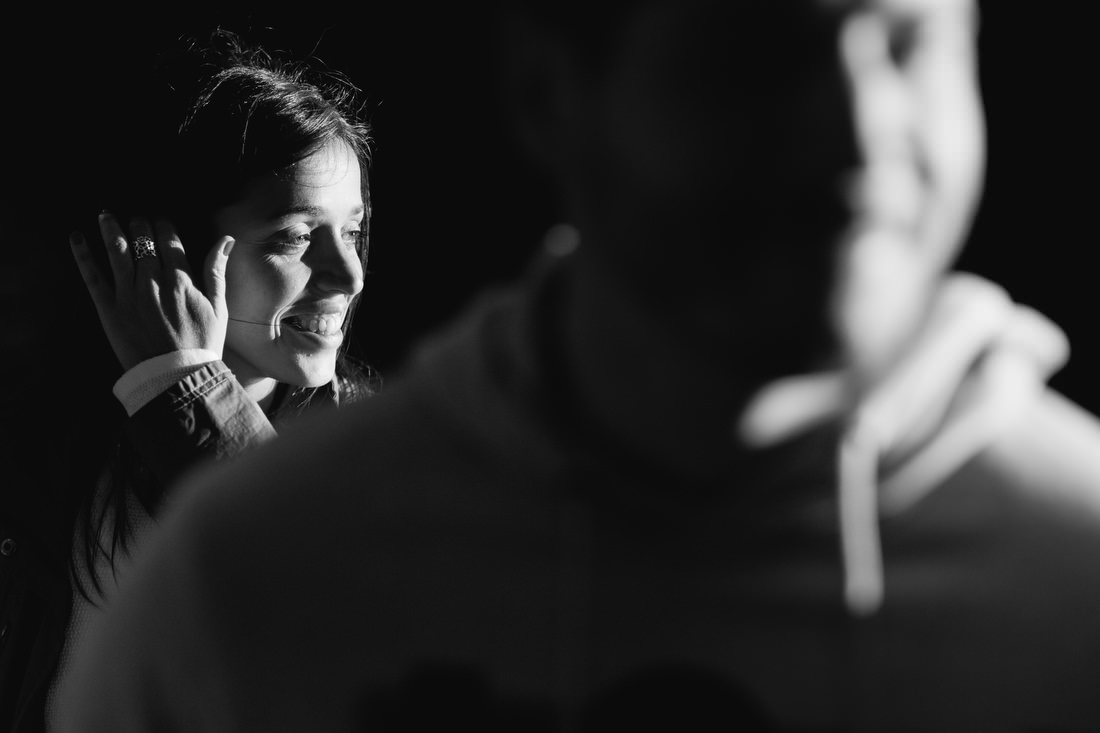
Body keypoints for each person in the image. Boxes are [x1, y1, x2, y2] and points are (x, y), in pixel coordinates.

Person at [56, 1, 1100, 731]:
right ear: (548, 93)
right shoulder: (231, 557)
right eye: (760, 52)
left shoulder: (1075, 555)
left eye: (912, 43)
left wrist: (185, 396)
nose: (860, 133)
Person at [0, 28, 376, 733]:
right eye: (296, 237)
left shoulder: (390, 460)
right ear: (175, 251)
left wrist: (188, 388)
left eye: (353, 231)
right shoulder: (41, 452)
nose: (349, 275)